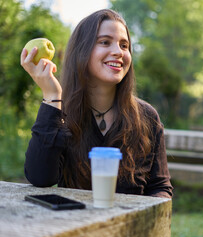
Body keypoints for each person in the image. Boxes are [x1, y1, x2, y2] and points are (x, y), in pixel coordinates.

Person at [20, 9, 173, 199]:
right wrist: (51, 95)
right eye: (105, 42)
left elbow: (160, 187)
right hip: (74, 224)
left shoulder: (147, 117)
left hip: (130, 226)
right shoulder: (59, 112)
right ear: (82, 51)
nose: (118, 52)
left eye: (124, 45)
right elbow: (40, 178)